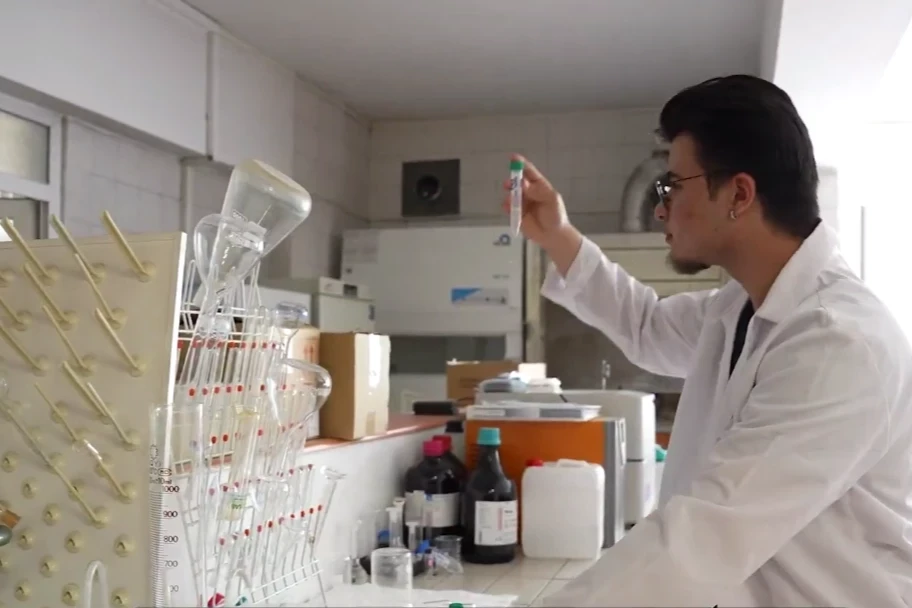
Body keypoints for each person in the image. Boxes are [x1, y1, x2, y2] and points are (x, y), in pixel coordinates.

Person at [504, 75, 912, 607]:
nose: (660, 209)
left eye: (672, 186)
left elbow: (703, 539)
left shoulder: (837, 343)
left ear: (739, 194)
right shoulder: (740, 309)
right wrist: (556, 235)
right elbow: (646, 325)